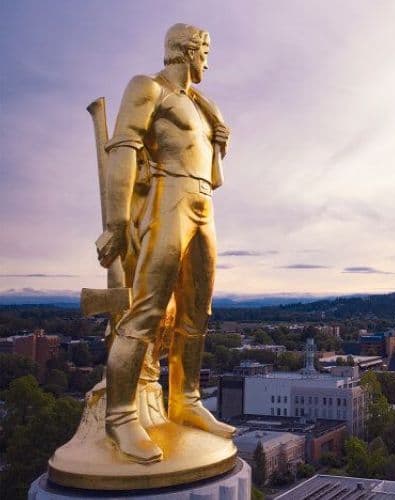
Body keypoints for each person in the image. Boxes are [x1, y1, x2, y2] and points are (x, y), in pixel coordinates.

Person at [97, 23, 234, 464]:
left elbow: (214, 176)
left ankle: (186, 400)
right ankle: (120, 417)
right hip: (168, 196)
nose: (207, 62)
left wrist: (217, 141)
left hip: (203, 204)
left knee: (196, 311)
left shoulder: (199, 106)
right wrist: (118, 222)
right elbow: (123, 149)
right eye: (204, 53)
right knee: (148, 310)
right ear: (187, 51)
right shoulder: (148, 88)